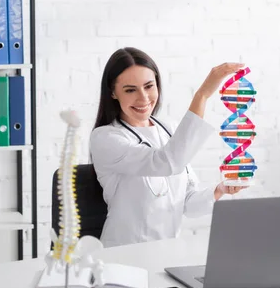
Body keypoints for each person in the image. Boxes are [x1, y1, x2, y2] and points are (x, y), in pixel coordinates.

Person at [89, 47, 245, 248]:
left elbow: (188, 204)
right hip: (124, 255)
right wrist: (202, 95)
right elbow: (167, 163)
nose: (144, 98)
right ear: (113, 92)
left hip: (166, 253)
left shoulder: (168, 130)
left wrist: (220, 189)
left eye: (148, 86)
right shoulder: (106, 138)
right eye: (130, 90)